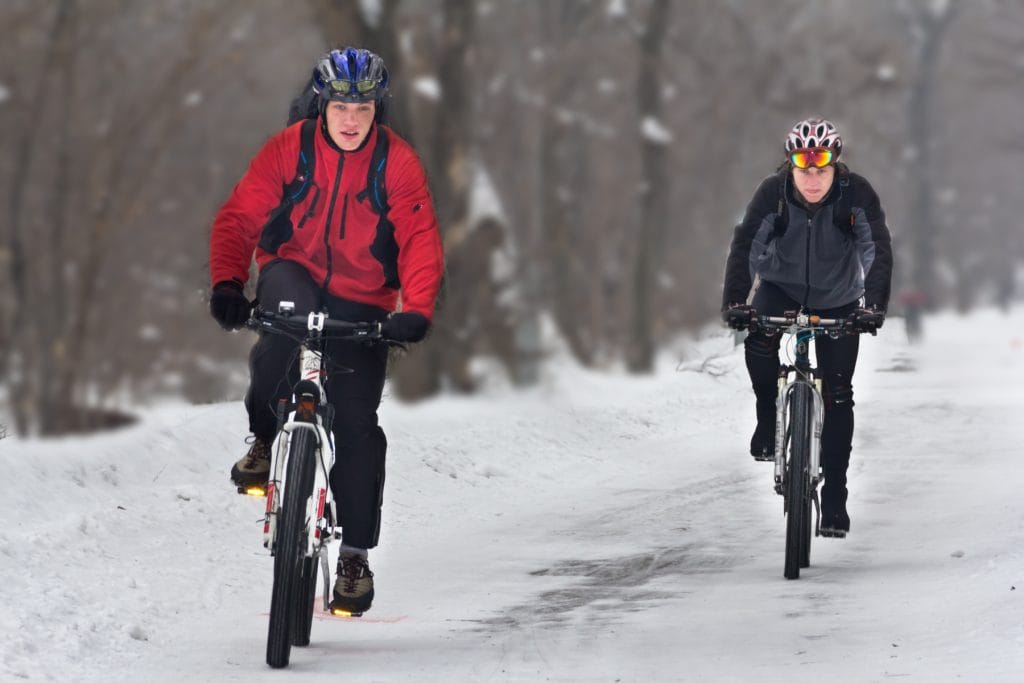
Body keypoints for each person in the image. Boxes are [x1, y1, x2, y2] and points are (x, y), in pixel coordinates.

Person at [208, 47, 444, 614]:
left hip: (365, 299)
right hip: (296, 269)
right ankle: (266, 441)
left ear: (377, 111)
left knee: (360, 426)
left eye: (363, 108)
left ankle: (355, 557)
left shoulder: (398, 163)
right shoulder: (290, 149)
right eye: (340, 105)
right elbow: (240, 217)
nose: (350, 119)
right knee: (279, 340)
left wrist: (415, 308)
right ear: (321, 105)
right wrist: (226, 284)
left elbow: (418, 240)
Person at [721, 117, 892, 537]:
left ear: (836, 166)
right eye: (804, 170)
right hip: (780, 287)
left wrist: (873, 306)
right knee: (759, 341)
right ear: (790, 168)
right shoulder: (773, 194)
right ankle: (767, 414)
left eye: (821, 170)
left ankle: (835, 492)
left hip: (839, 296)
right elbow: (746, 245)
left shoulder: (856, 195)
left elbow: (876, 247)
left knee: (839, 392)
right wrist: (735, 301)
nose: (812, 179)